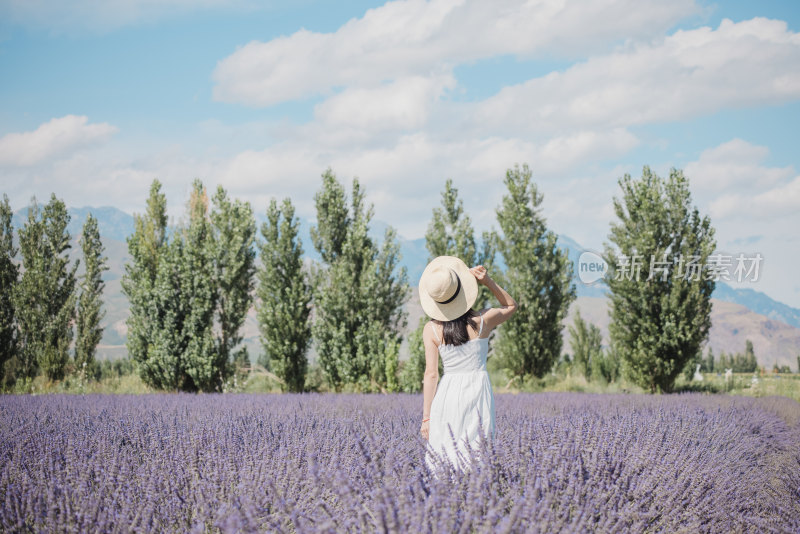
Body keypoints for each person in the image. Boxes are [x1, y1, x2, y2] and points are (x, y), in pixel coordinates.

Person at [418, 255, 516, 477]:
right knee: (476, 450)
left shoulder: (431, 329)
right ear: (462, 290)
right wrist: (487, 281)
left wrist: (427, 418)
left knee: (445, 450)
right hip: (477, 390)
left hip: (448, 393)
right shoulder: (483, 321)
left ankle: (447, 502)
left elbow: (431, 374)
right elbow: (511, 305)